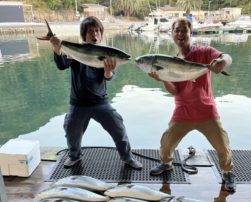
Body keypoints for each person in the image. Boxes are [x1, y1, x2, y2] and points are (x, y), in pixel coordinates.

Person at [148, 17, 236, 192]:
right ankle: (166, 164)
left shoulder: (204, 52)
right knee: (166, 142)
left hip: (206, 110)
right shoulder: (170, 61)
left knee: (223, 145)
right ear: (172, 34)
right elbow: (175, 91)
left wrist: (222, 62)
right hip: (183, 111)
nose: (180, 34)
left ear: (190, 33)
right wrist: (162, 78)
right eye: (177, 30)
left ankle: (227, 173)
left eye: (184, 30)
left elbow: (226, 56)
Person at [49, 16, 142, 170]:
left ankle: (127, 158)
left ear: (101, 34)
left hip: (100, 102)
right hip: (78, 103)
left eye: (97, 31)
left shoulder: (106, 53)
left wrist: (107, 70)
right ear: (84, 35)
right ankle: (74, 156)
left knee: (118, 127)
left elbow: (108, 78)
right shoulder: (76, 51)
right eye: (90, 31)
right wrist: (57, 49)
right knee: (72, 131)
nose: (94, 34)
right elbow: (61, 65)